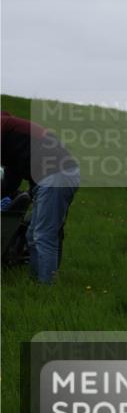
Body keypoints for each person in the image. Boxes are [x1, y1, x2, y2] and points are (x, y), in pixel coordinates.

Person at [1, 111, 79, 284]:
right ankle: (36, 282)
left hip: (55, 174)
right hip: (52, 175)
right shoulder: (11, 130)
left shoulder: (4, 126)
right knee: (33, 235)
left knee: (44, 235)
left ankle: (46, 287)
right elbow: (12, 177)